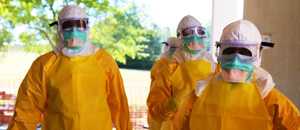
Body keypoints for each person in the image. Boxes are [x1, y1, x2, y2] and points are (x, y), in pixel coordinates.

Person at [8, 5, 131, 130]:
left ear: (87, 27)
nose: (74, 30)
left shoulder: (104, 61)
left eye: (80, 24)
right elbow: (26, 109)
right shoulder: (44, 64)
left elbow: (119, 103)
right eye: (68, 25)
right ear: (59, 28)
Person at [189, 20, 300, 130]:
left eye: (244, 52)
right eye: (230, 51)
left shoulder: (269, 98)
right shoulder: (200, 92)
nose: (235, 59)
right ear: (220, 52)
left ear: (258, 54)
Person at [147, 15, 216, 130]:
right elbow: (155, 111)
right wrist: (174, 102)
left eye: (199, 32)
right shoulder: (167, 68)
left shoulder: (214, 67)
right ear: (179, 38)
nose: (194, 38)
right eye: (188, 33)